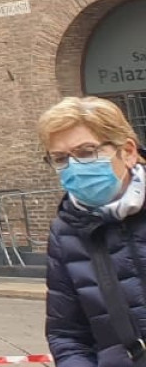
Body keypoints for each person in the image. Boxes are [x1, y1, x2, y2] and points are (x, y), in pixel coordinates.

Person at [43, 96, 146, 367]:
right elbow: (67, 335)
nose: (74, 166)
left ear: (128, 151)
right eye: (61, 158)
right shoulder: (65, 231)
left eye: (87, 152)